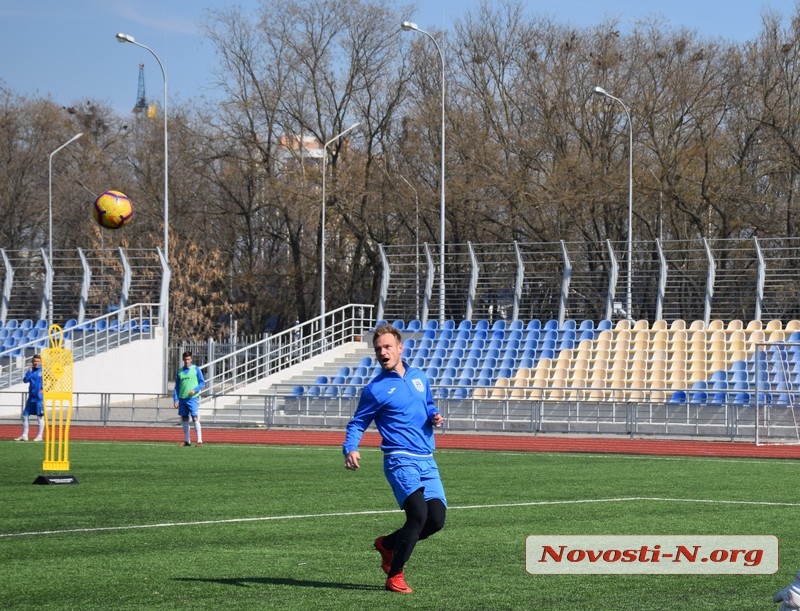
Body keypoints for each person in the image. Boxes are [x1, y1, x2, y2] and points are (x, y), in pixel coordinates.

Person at [343, 323, 446, 594]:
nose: (383, 352)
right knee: (418, 515)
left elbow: (428, 404)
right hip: (399, 459)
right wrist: (351, 447)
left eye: (387, 347)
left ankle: (388, 544)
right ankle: (395, 575)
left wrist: (433, 416)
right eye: (378, 349)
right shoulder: (375, 389)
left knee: (436, 520)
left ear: (400, 347)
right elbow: (357, 423)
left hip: (426, 459)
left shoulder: (419, 377)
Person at [173, 351, 205, 446]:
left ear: (191, 359)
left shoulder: (196, 369)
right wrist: (175, 399)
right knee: (185, 418)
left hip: (192, 398)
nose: (187, 361)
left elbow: (202, 382)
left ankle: (199, 441)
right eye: (185, 359)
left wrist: (195, 390)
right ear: (183, 359)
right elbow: (177, 387)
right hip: (182, 399)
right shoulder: (180, 371)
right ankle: (187, 441)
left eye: (188, 359)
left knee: (195, 417)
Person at [15, 354, 44, 441]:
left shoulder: (43, 370)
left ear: (41, 362)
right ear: (32, 361)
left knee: (40, 416)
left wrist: (45, 389)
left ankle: (39, 436)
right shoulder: (31, 370)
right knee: (25, 415)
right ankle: (24, 435)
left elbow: (53, 380)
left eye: (38, 361)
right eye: (34, 361)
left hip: (39, 398)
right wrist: (29, 371)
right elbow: (25, 380)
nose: (36, 363)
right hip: (31, 397)